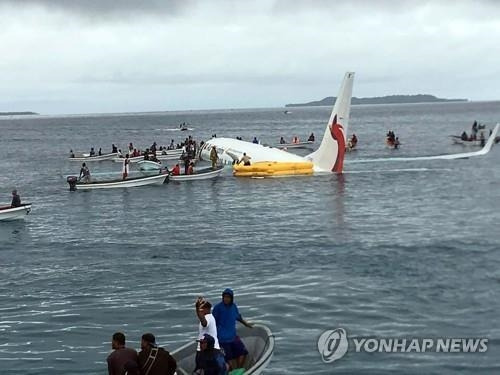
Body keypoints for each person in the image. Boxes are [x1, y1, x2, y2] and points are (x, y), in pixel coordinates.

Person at [213, 288, 253, 371]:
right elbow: (212, 323)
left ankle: (238, 371)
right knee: (229, 363)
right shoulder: (218, 308)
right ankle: (231, 371)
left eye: (228, 297)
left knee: (243, 353)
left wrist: (246, 324)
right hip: (222, 340)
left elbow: (238, 317)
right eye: (225, 297)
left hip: (233, 337)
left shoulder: (234, 306)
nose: (226, 299)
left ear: (232, 298)